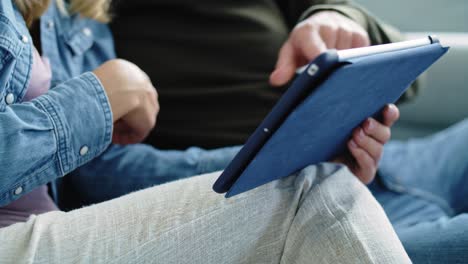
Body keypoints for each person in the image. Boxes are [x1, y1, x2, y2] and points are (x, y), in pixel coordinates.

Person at [0, 0, 411, 263]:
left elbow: (95, 166)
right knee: (309, 192)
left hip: (53, 226)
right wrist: (97, 101)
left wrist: (285, 157)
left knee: (310, 180)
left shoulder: (71, 11)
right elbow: (90, 154)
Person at [106, 1, 468, 263]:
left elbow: (413, 79)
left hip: (403, 162)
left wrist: (338, 16)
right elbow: (104, 172)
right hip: (310, 212)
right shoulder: (87, 20)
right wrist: (294, 159)